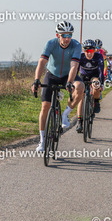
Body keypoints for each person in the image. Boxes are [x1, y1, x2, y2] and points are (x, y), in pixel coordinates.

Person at [31, 21, 84, 152]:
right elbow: (42, 61)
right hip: (52, 75)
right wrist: (36, 80)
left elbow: (74, 66)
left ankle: (65, 114)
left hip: (67, 75)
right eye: (64, 35)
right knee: (45, 107)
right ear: (57, 35)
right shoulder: (51, 44)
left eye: (69, 35)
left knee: (80, 86)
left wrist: (70, 82)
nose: (67, 38)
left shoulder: (76, 45)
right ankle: (42, 141)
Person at [75, 39, 104, 133]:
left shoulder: (98, 56)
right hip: (83, 76)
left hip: (94, 76)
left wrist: (101, 84)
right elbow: (76, 71)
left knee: (96, 84)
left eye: (91, 50)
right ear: (84, 50)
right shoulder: (81, 56)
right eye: (87, 50)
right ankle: (79, 121)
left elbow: (101, 71)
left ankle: (96, 101)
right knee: (81, 98)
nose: (89, 53)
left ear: (94, 50)